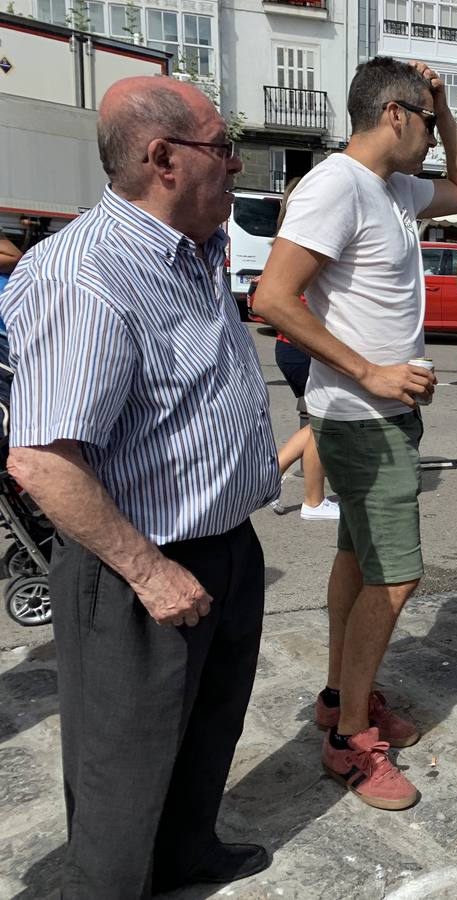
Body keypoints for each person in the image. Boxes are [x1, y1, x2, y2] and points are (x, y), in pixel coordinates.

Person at [0, 75, 279, 898]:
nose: (236, 165)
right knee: (123, 775)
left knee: (206, 733)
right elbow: (43, 461)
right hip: (135, 568)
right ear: (162, 157)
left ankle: (187, 857)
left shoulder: (196, 247)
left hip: (224, 547)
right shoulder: (85, 273)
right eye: (223, 147)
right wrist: (152, 574)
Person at [253, 57, 457, 812]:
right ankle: (351, 739)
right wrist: (372, 372)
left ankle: (337, 696)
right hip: (362, 416)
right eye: (423, 121)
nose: (428, 137)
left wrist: (446, 112)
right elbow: (273, 299)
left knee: (358, 558)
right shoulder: (335, 186)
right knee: (397, 574)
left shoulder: (392, 189)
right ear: (393, 114)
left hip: (380, 417)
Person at [262, 179, 338, 520]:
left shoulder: (283, 243)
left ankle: (309, 494)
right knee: (322, 421)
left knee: (312, 421)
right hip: (303, 348)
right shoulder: (309, 245)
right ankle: (301, 493)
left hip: (288, 349)